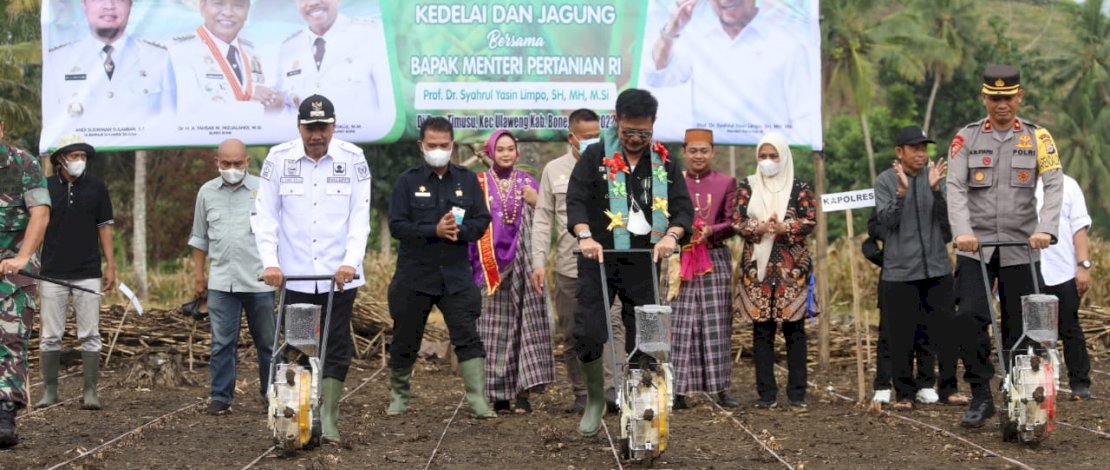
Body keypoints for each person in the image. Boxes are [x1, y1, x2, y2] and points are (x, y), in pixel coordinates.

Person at [567, 88, 693, 436]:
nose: (636, 140)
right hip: (599, 258)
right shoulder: (594, 157)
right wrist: (585, 236)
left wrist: (672, 236)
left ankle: (640, 405)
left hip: (644, 259)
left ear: (653, 126)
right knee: (589, 330)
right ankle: (595, 399)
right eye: (629, 132)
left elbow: (683, 207)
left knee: (646, 336)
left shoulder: (665, 162)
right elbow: (575, 200)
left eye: (644, 133)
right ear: (616, 120)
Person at [947, 64, 1063, 428]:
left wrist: (1046, 229)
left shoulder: (1038, 138)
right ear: (984, 98)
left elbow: (1055, 184)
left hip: (1021, 247)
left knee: (1022, 327)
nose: (1001, 104)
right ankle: (981, 392)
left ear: (1019, 97)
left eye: (1008, 97)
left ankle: (1019, 394)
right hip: (976, 247)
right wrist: (962, 231)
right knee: (968, 316)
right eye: (994, 98)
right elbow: (955, 187)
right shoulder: (965, 138)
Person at [253, 95, 370, 443]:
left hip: (338, 276)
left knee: (335, 345)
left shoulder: (352, 160)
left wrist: (351, 261)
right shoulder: (278, 159)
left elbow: (359, 217)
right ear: (299, 127)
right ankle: (299, 415)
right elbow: (265, 216)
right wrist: (271, 263)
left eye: (323, 127)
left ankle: (329, 417)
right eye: (310, 128)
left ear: (333, 126)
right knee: (299, 346)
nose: (316, 135)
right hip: (297, 274)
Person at [386, 117, 496, 419]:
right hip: (415, 273)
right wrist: (432, 230)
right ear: (421, 145)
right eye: (432, 145)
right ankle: (399, 395)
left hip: (455, 273)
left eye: (443, 145)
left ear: (453, 145)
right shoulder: (407, 181)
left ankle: (477, 398)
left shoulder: (467, 180)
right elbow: (397, 225)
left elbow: (481, 220)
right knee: (406, 336)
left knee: (467, 335)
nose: (438, 150)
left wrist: (457, 232)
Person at [531, 109, 624, 413]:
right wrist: (539, 261)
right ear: (571, 137)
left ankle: (613, 389)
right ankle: (582, 392)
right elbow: (543, 220)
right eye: (587, 138)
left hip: (609, 265)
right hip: (571, 269)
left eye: (598, 136)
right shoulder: (554, 170)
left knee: (614, 327)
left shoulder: (614, 165)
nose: (594, 142)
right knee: (573, 331)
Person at [874, 126, 967, 410]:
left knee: (945, 333)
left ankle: (949, 388)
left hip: (937, 270)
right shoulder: (885, 181)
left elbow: (948, 229)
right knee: (901, 336)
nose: (921, 154)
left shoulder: (936, 179)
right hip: (900, 273)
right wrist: (902, 193)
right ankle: (904, 393)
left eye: (924, 148)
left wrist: (936, 191)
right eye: (914, 148)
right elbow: (886, 223)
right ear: (899, 152)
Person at [645, 0, 818, 145]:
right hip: (707, 159)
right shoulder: (700, 40)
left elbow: (804, 120)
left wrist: (778, 160)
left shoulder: (787, 46)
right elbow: (659, 76)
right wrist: (671, 31)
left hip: (769, 159)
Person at [468, 130, 554, 414]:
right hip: (488, 268)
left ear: (517, 153)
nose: (505, 154)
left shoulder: (528, 182)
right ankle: (498, 394)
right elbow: (463, 216)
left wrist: (535, 200)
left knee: (523, 327)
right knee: (492, 331)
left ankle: (524, 393)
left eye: (510, 149)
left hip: (523, 266)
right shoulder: (477, 183)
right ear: (490, 152)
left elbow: (546, 218)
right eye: (500, 149)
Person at [189, 138, 275, 415]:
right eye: (226, 164)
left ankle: (271, 392)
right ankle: (221, 397)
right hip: (221, 282)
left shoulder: (263, 189)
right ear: (217, 163)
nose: (232, 168)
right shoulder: (207, 192)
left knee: (267, 342)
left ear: (247, 162)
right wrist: (199, 275)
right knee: (222, 343)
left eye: (238, 163)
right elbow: (199, 237)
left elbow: (276, 233)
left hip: (259, 280)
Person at [733, 132, 816, 409]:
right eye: (763, 156)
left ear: (784, 156)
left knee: (795, 331)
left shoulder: (800, 186)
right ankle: (766, 393)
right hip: (757, 269)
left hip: (791, 270)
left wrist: (784, 227)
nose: (768, 161)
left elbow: (809, 220)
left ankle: (797, 393)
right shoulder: (748, 185)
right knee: (762, 331)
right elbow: (737, 220)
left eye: (773, 155)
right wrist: (756, 228)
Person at [35, 135, 116, 412]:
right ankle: (49, 390)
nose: (79, 161)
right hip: (51, 271)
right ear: (60, 159)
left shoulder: (97, 187)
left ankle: (90, 391)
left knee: (90, 333)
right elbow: (36, 228)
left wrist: (111, 264)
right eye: (74, 156)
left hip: (88, 271)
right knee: (50, 334)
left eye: (83, 156)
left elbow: (104, 227)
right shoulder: (44, 188)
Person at [669, 128, 738, 410]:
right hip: (679, 259)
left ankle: (721, 388)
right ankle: (677, 390)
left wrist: (712, 230)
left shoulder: (727, 182)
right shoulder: (673, 182)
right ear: (684, 152)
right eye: (693, 150)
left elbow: (733, 221)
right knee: (679, 324)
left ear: (713, 152)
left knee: (716, 324)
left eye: (704, 150)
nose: (698, 156)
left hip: (713, 259)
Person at [42, 0, 168, 147]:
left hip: (145, 159)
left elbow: (170, 119)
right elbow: (52, 123)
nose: (109, 5)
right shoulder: (58, 60)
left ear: (130, 5)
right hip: (76, 154)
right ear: (84, 5)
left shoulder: (158, 58)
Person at [276, 0, 396, 141]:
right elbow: (284, 108)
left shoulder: (371, 34)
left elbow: (388, 104)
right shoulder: (288, 47)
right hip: (305, 147)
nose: (313, 2)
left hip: (359, 146)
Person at [0, 120, 51, 447]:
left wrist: (22, 257)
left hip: (12, 271)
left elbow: (41, 213)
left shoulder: (23, 164)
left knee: (10, 339)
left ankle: (5, 411)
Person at [166, 0, 281, 116]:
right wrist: (262, 109)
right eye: (219, 3)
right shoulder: (179, 51)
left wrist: (271, 99)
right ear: (202, 6)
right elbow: (192, 110)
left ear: (247, 10)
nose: (228, 13)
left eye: (238, 5)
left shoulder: (252, 52)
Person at [1035, 173, 1093, 400]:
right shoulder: (1017, 185)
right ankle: (1035, 382)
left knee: (1070, 326)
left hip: (1063, 268)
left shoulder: (1068, 184)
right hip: (1028, 268)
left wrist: (1083, 265)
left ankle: (1080, 382)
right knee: (1031, 330)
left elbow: (1079, 227)